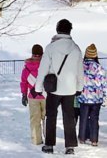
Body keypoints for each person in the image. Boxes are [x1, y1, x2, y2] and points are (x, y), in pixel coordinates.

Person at [35, 19, 84, 155]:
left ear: (57, 30)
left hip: (53, 89)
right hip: (70, 89)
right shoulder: (76, 48)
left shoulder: (51, 47)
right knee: (69, 116)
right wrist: (80, 87)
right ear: (69, 30)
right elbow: (80, 70)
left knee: (51, 115)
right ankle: (70, 147)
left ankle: (49, 145)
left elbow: (42, 69)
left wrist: (38, 87)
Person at [78, 44, 107, 146]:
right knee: (94, 119)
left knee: (83, 118)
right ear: (95, 55)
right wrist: (105, 97)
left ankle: (82, 138)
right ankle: (94, 140)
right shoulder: (100, 68)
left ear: (86, 54)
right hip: (96, 99)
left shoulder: (80, 66)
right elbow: (104, 84)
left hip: (83, 98)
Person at [20, 44, 46, 145]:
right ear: (42, 54)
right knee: (47, 119)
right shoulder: (46, 64)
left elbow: (23, 82)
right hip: (46, 96)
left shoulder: (27, 66)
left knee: (35, 119)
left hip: (32, 96)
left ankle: (36, 140)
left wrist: (23, 95)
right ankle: (48, 139)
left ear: (32, 54)